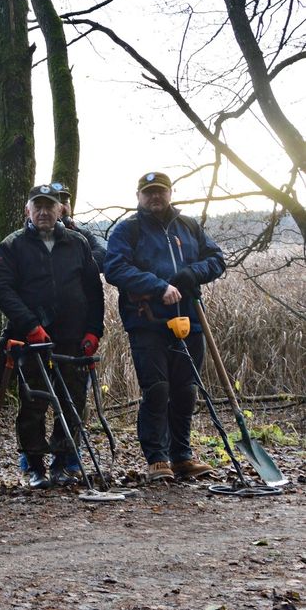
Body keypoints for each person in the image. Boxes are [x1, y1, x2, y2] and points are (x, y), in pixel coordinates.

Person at [104, 172, 224, 482]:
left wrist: (191, 274)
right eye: (148, 192)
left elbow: (216, 259)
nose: (154, 197)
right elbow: (115, 267)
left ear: (170, 193)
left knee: (185, 390)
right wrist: (159, 287)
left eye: (160, 191)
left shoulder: (188, 226)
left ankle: (181, 456)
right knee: (157, 389)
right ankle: (157, 458)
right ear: (139, 196)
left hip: (191, 319)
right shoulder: (127, 230)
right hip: (147, 321)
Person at [0, 184, 104, 489]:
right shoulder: (12, 245)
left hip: (73, 338)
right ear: (28, 210)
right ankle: (35, 466)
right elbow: (3, 289)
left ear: (61, 209)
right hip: (31, 338)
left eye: (49, 206)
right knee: (33, 402)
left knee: (73, 401)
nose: (44, 212)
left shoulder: (78, 244)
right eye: (37, 206)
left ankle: (62, 461)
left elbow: (94, 292)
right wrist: (29, 325)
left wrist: (94, 330)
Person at [51, 182, 106, 270]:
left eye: (64, 202)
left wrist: (71, 260)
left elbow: (103, 256)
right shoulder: (40, 235)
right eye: (56, 203)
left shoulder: (83, 235)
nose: (61, 207)